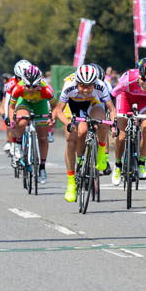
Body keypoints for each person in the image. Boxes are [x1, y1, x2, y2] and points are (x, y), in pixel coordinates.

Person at [54, 64, 115, 202]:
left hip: (92, 104)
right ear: (77, 82)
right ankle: (71, 182)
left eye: (90, 86)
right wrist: (68, 123)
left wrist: (114, 124)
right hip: (72, 106)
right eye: (82, 86)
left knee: (102, 121)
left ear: (95, 83)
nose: (86, 89)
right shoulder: (69, 85)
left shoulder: (100, 85)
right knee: (74, 137)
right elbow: (58, 110)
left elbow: (111, 108)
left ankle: (100, 154)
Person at [111, 59, 146, 185]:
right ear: (139, 74)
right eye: (144, 79)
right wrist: (113, 117)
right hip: (126, 97)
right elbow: (112, 96)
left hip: (145, 100)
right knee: (122, 135)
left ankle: (141, 162)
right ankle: (118, 165)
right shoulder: (128, 78)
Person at [8, 65, 55, 184]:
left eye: (34, 86)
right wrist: (12, 120)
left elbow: (55, 107)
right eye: (28, 86)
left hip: (41, 105)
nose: (31, 89)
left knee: (43, 138)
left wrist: (51, 118)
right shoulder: (18, 88)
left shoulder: (47, 90)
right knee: (22, 121)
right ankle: (18, 144)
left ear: (40, 83)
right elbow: (12, 106)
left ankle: (42, 168)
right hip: (24, 103)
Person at [2, 59, 32, 155]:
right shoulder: (11, 83)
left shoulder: (34, 78)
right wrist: (7, 116)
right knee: (13, 122)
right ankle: (13, 142)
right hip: (15, 102)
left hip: (29, 101)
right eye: (20, 78)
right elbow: (8, 101)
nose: (23, 81)